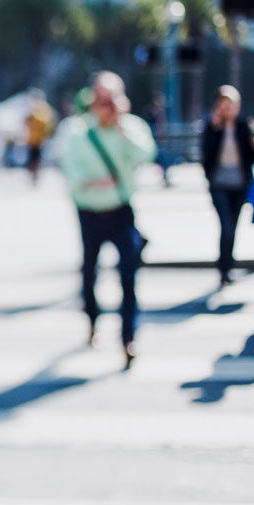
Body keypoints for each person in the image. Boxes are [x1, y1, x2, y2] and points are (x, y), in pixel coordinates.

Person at [58, 72, 156, 368]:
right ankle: (92, 318)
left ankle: (128, 335)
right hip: (89, 212)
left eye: (110, 100)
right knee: (89, 270)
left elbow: (146, 155)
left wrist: (123, 125)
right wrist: (89, 182)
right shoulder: (77, 131)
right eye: (100, 100)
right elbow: (68, 167)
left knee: (129, 274)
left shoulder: (131, 128)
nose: (105, 106)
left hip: (120, 210)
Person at [200, 86, 254, 286]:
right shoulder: (211, 127)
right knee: (226, 226)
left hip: (240, 185)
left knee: (233, 227)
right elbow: (205, 155)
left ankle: (227, 267)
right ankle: (223, 268)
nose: (227, 109)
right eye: (223, 105)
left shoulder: (245, 126)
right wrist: (215, 128)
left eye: (231, 105)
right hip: (219, 184)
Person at [24, 90, 57, 184]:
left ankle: (36, 175)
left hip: (39, 139)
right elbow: (26, 121)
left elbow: (46, 121)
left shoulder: (42, 108)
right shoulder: (34, 108)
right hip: (32, 139)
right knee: (32, 158)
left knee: (37, 158)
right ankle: (32, 175)